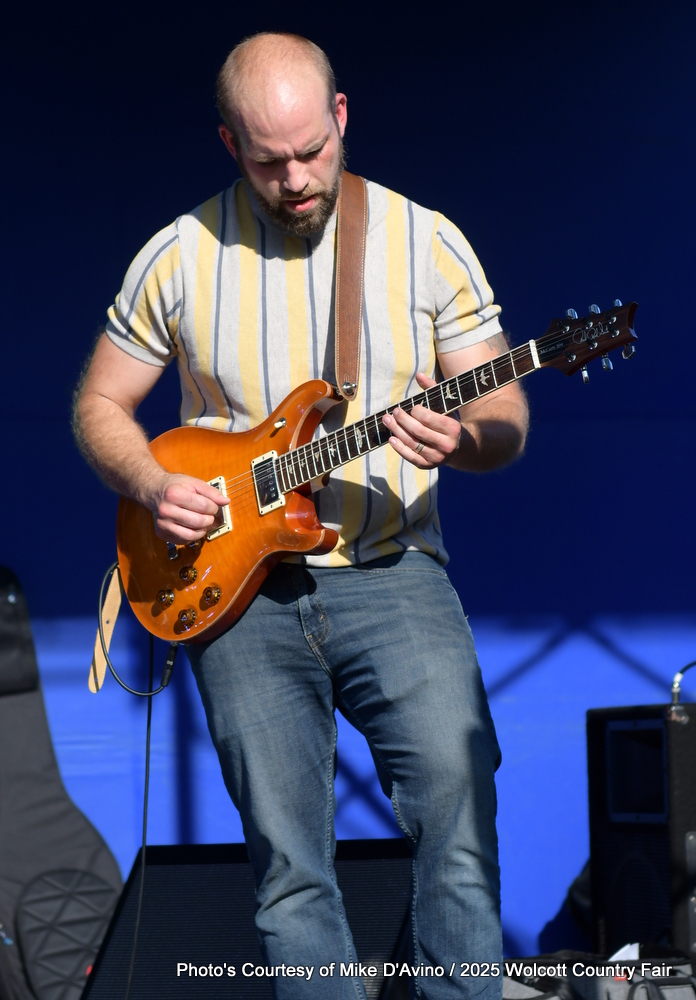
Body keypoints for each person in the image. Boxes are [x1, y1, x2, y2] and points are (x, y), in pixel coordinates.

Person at [74, 32, 528, 1000]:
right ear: (229, 144)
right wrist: (151, 485)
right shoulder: (179, 253)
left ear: (342, 117)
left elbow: (504, 414)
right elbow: (100, 404)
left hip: (392, 572)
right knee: (289, 869)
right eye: (269, 160)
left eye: (312, 151)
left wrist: (466, 439)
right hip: (236, 594)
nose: (295, 179)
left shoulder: (425, 239)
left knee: (459, 812)